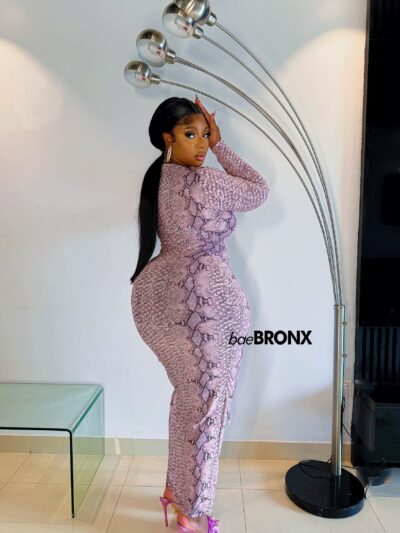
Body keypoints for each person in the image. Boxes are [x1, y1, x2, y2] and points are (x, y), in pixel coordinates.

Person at [130, 95, 270, 533]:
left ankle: (176, 490)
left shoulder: (157, 181)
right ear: (167, 138)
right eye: (191, 134)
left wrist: (215, 141)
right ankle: (191, 514)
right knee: (209, 404)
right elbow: (258, 190)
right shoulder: (204, 181)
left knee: (190, 399)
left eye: (206, 135)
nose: (203, 143)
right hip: (206, 307)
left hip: (163, 298)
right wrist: (225, 147)